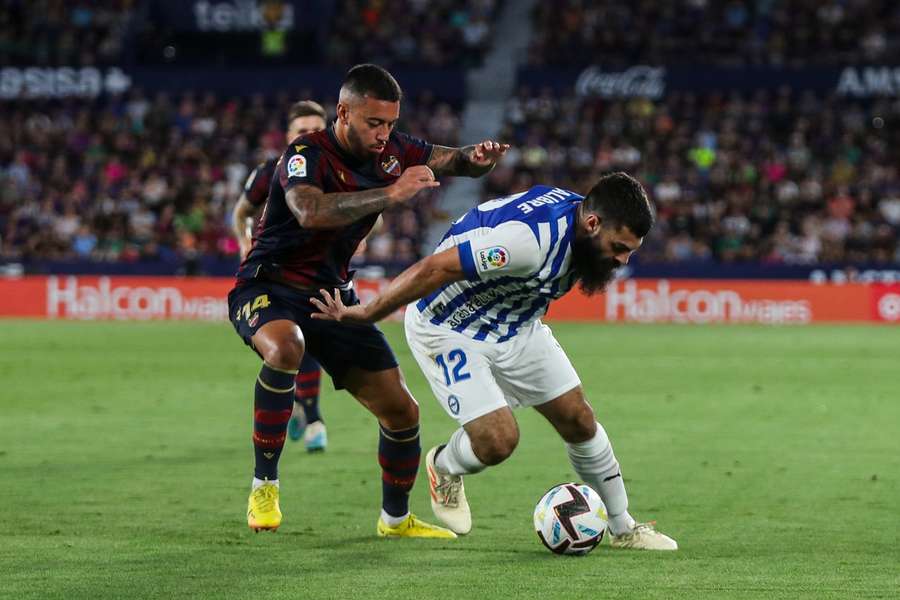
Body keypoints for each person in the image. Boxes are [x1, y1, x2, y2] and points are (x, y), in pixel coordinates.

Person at [311, 173, 678, 550]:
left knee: (579, 419)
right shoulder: (529, 243)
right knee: (497, 441)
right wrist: (368, 313)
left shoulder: (582, 223)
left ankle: (623, 527)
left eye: (630, 251)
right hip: (450, 326)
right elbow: (435, 268)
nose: (622, 260)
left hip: (515, 324)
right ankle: (444, 465)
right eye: (618, 247)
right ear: (592, 223)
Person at [227, 63, 509, 536]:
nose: (384, 134)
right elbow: (309, 211)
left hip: (333, 299)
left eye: (391, 124)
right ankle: (264, 486)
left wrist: (477, 157)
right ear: (343, 113)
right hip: (267, 286)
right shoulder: (304, 154)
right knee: (286, 347)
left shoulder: (394, 150)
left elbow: (450, 159)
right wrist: (390, 194)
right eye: (373, 123)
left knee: (403, 412)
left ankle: (395, 519)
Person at [232, 100, 330, 453]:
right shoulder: (267, 172)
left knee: (309, 345)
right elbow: (241, 212)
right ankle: (307, 412)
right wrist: (244, 239)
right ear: (289, 137)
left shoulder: (339, 173)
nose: (309, 136)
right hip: (270, 275)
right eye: (302, 131)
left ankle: (312, 416)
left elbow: (374, 216)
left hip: (319, 274)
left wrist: (361, 235)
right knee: (286, 347)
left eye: (315, 130)